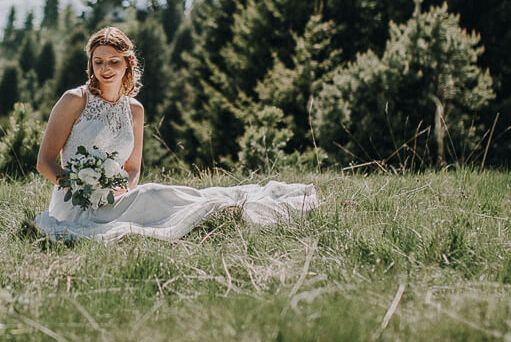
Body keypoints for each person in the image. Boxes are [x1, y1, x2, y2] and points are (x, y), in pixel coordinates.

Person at [33, 26, 319, 243]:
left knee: (153, 192)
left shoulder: (134, 109)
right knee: (154, 196)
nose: (105, 69)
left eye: (114, 62)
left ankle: (224, 208)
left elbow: (132, 169)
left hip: (115, 198)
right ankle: (214, 209)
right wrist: (80, 187)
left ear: (127, 64)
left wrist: (122, 190)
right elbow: (44, 161)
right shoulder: (74, 99)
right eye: (98, 62)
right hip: (75, 204)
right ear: (91, 64)